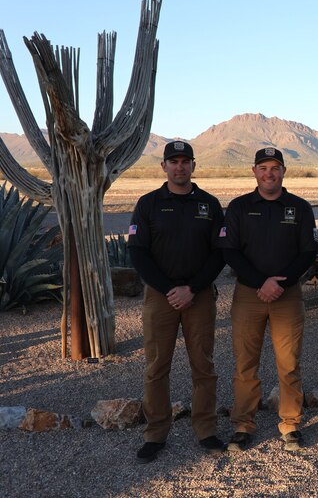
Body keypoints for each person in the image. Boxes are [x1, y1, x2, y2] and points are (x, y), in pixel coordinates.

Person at [128, 140, 226, 464]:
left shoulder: (209, 205)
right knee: (157, 366)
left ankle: (206, 429)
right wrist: (170, 288)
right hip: (160, 297)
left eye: (185, 161)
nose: (180, 167)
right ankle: (156, 433)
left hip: (198, 297)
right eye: (174, 161)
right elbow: (138, 252)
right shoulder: (148, 204)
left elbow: (219, 252)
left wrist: (192, 288)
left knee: (204, 365)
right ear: (164, 167)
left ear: (194, 166)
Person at [218, 146, 317, 452]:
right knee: (245, 362)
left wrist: (280, 283)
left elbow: (308, 252)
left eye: (275, 167)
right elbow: (230, 251)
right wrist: (262, 282)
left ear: (284, 171)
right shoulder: (239, 207)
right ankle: (244, 424)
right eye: (263, 168)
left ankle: (290, 424)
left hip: (287, 296)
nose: (269, 173)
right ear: (254, 172)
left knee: (288, 363)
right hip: (249, 294)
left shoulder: (299, 208)